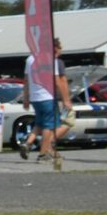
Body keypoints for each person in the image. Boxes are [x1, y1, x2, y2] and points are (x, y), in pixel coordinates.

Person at [22, 36, 72, 171]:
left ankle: (28, 143)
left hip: (35, 97)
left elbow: (26, 80)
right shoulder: (51, 60)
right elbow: (57, 81)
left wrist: (26, 98)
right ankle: (43, 154)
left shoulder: (30, 59)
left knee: (39, 123)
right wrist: (66, 99)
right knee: (48, 127)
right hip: (48, 96)